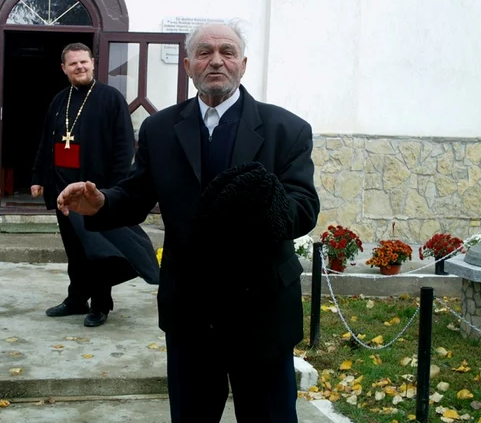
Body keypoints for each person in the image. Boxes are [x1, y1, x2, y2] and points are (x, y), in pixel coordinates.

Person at [56, 23, 320, 422]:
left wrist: (264, 205)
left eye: (227, 52)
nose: (216, 60)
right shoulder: (160, 129)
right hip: (191, 311)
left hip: (262, 310)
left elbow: (304, 206)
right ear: (188, 66)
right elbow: (135, 195)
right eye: (204, 52)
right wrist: (101, 203)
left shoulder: (287, 130)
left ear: (243, 65)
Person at [31, 42, 159, 328]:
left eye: (84, 62)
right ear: (64, 68)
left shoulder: (110, 98)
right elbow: (46, 142)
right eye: (73, 63)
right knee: (75, 252)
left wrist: (112, 191)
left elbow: (124, 147)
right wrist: (38, 178)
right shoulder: (59, 100)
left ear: (92, 63)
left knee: (99, 253)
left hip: (94, 193)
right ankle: (76, 299)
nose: (79, 67)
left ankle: (100, 305)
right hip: (63, 192)